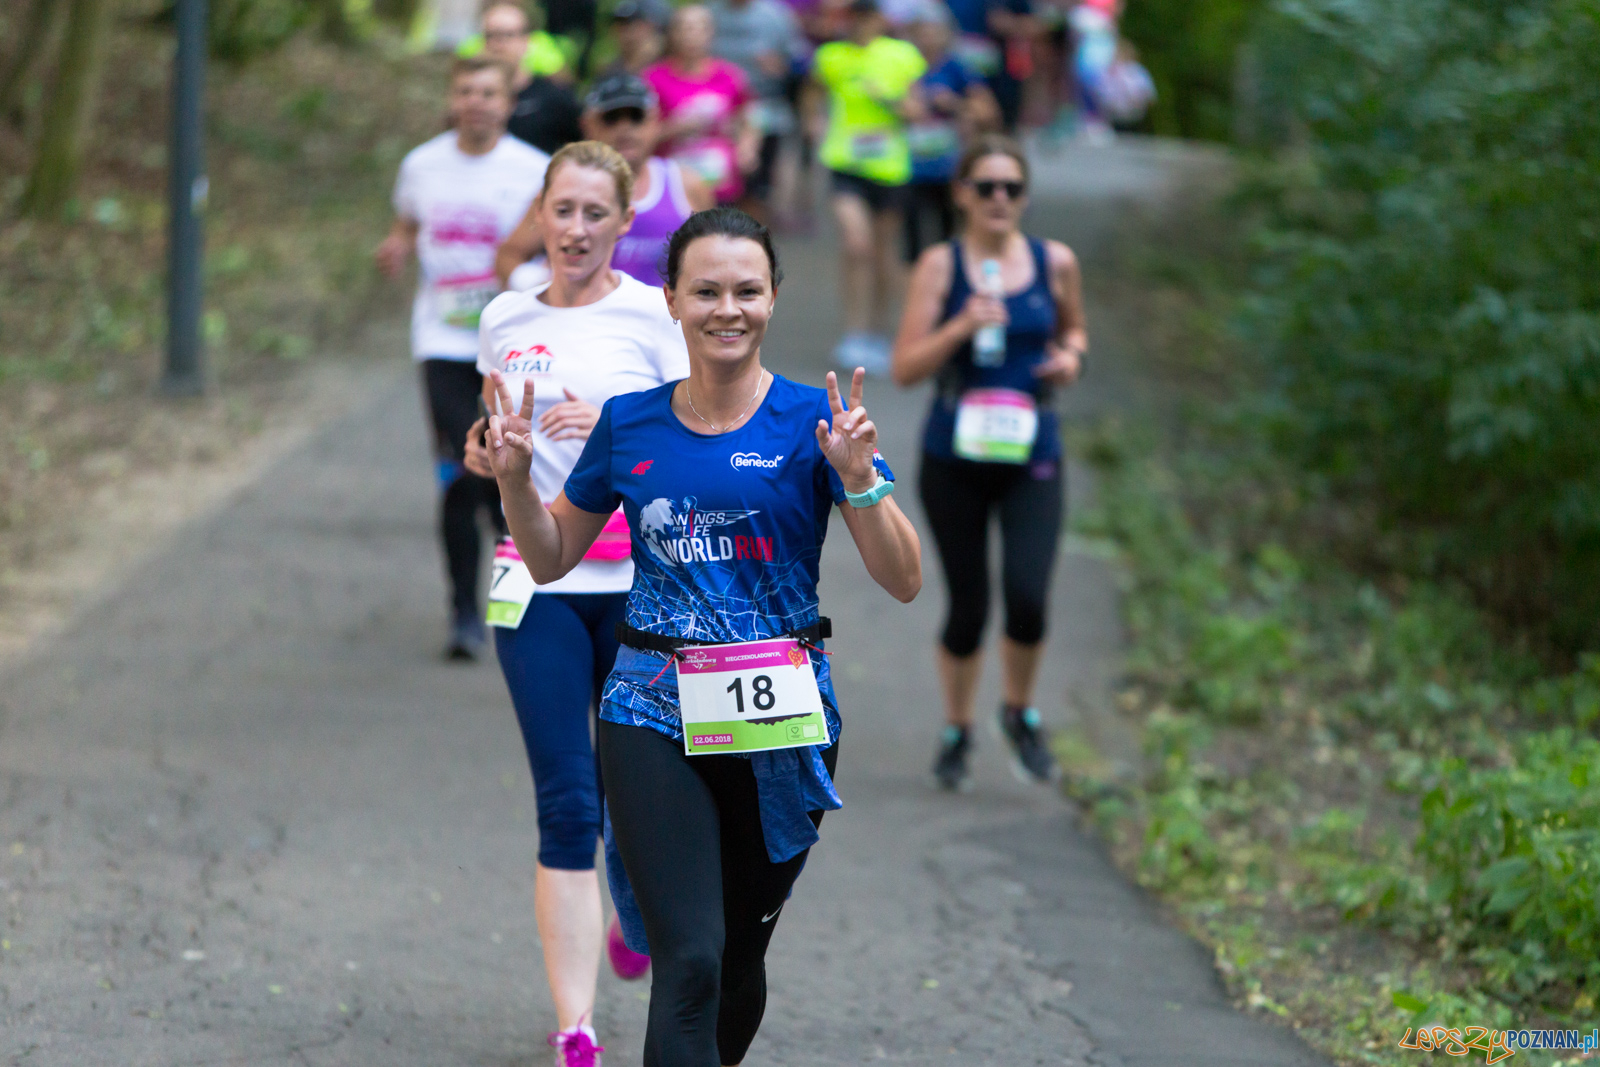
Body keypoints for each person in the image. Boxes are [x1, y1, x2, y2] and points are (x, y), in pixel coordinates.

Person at [483, 207, 921, 1065]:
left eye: (748, 290)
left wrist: (860, 480)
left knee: (737, 957)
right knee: (687, 960)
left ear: (773, 299)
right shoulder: (632, 421)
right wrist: (513, 484)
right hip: (650, 703)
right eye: (708, 290)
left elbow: (903, 579)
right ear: (672, 301)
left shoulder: (815, 421)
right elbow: (551, 557)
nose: (730, 309)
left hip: (785, 713)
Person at [464, 140, 690, 1066]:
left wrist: (611, 427)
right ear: (543, 212)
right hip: (536, 580)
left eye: (598, 213)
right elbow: (495, 434)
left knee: (638, 798)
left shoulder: (654, 318)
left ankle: (634, 906)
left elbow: (695, 441)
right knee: (567, 802)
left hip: (642, 584)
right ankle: (577, 1028)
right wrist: (490, 455)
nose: (578, 230)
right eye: (564, 210)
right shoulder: (505, 314)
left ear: (624, 223)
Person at [890, 135, 1086, 791]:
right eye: (985, 187)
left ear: (1025, 196)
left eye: (1011, 187)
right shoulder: (941, 267)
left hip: (1034, 447)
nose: (999, 198)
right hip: (955, 453)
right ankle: (957, 727)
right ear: (962, 195)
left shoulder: (1054, 260)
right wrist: (960, 328)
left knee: (1028, 596)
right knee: (969, 605)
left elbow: (1074, 332)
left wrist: (1071, 359)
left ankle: (1018, 711)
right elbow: (905, 367)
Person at [375, 56, 550, 661]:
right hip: (444, 343)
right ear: (452, 100)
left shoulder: (533, 170)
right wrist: (397, 245)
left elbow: (550, 249)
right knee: (461, 464)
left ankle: (512, 606)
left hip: (512, 346)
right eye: (465, 91)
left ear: (507, 102)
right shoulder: (421, 164)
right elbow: (407, 220)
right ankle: (462, 611)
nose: (476, 101)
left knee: (502, 473)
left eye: (488, 91)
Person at [497, 72, 716, 291]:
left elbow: (713, 261)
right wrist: (536, 284)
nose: (624, 128)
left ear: (655, 122)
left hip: (666, 322)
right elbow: (509, 255)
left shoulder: (687, 185)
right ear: (587, 125)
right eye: (610, 118)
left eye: (636, 117)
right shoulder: (565, 188)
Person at [811, 0, 926, 374]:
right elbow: (811, 92)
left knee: (882, 253)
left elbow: (916, 110)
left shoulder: (901, 55)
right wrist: (813, 121)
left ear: (879, 20)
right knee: (855, 243)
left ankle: (880, 332)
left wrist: (890, 100)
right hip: (845, 162)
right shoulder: (831, 56)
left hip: (890, 168)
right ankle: (854, 333)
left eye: (868, 16)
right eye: (855, 17)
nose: (861, 24)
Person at [902, 2, 998, 263]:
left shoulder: (957, 68)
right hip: (906, 168)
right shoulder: (901, 65)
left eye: (933, 31)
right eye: (921, 31)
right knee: (910, 244)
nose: (927, 38)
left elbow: (987, 112)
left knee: (947, 239)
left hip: (948, 168)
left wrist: (953, 104)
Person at [644, 5, 761, 207]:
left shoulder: (729, 75)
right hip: (674, 183)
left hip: (721, 182)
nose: (692, 35)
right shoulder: (653, 78)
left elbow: (750, 116)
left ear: (711, 33)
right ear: (672, 34)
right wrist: (676, 128)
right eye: (685, 28)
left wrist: (748, 147)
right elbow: (641, 133)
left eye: (700, 28)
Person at [709, 0, 802, 220]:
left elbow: (799, 63)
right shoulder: (710, 13)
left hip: (765, 104)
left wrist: (779, 66)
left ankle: (755, 239)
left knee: (757, 187)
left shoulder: (777, 16)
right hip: (717, 112)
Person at [475, 2, 585, 154]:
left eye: (508, 35)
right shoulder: (472, 99)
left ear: (526, 39)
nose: (499, 44)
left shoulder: (554, 97)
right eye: (491, 35)